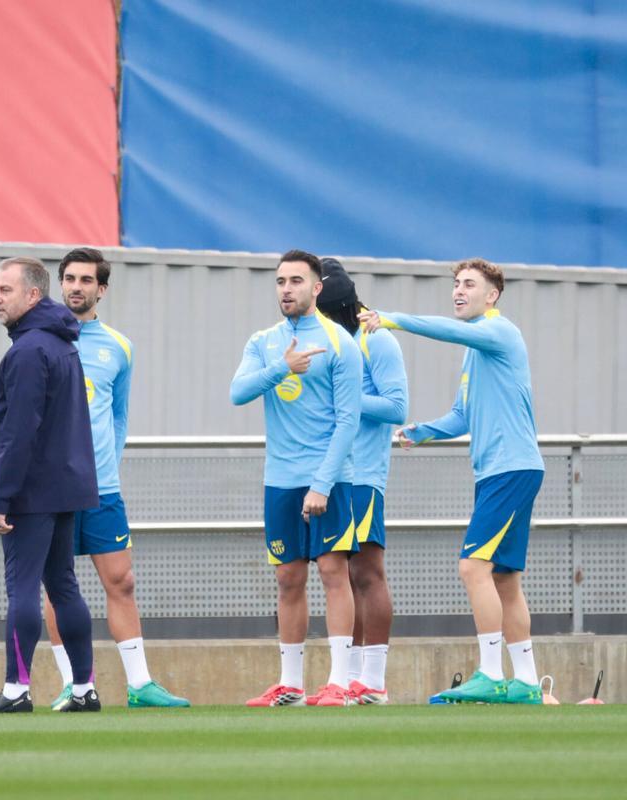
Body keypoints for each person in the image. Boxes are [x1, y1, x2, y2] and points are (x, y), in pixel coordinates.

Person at [359, 258, 546, 705]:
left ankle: (490, 673)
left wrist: (393, 319)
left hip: (511, 469)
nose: (459, 291)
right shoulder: (475, 351)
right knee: (504, 578)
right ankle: (525, 682)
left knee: (472, 567)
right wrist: (421, 432)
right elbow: (463, 415)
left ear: (492, 295)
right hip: (499, 472)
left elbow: (447, 330)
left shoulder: (500, 331)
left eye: (469, 285)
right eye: (457, 284)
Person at [41, 248, 189, 709]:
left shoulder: (119, 347)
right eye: (69, 278)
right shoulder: (39, 341)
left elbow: (118, 415)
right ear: (60, 283)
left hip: (102, 488)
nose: (76, 287)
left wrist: (108, 463)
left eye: (86, 280)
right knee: (58, 586)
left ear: (101, 289)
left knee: (122, 581)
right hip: (54, 491)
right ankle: (72, 684)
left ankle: (140, 685)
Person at [231, 249, 363, 707]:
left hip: (330, 479)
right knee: (288, 577)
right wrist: (281, 368)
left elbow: (348, 421)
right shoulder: (264, 342)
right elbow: (237, 392)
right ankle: (290, 684)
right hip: (280, 480)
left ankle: (340, 682)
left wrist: (322, 484)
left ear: (316, 288)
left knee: (332, 571)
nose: (286, 289)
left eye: (296, 281)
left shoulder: (340, 343)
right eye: (281, 281)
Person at [0, 257, 100, 714]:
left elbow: (20, 431)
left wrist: (1, 496)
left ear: (32, 295)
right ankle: (84, 690)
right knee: (64, 587)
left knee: (22, 589)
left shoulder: (28, 351)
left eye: (5, 290)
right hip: (66, 487)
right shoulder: (62, 343)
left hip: (33, 490)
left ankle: (16, 690)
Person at [315, 257, 408, 705]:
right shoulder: (324, 340)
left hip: (364, 472)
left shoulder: (377, 338)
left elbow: (397, 407)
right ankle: (347, 677)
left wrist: (348, 399)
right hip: (330, 473)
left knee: (366, 572)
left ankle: (373, 681)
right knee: (340, 575)